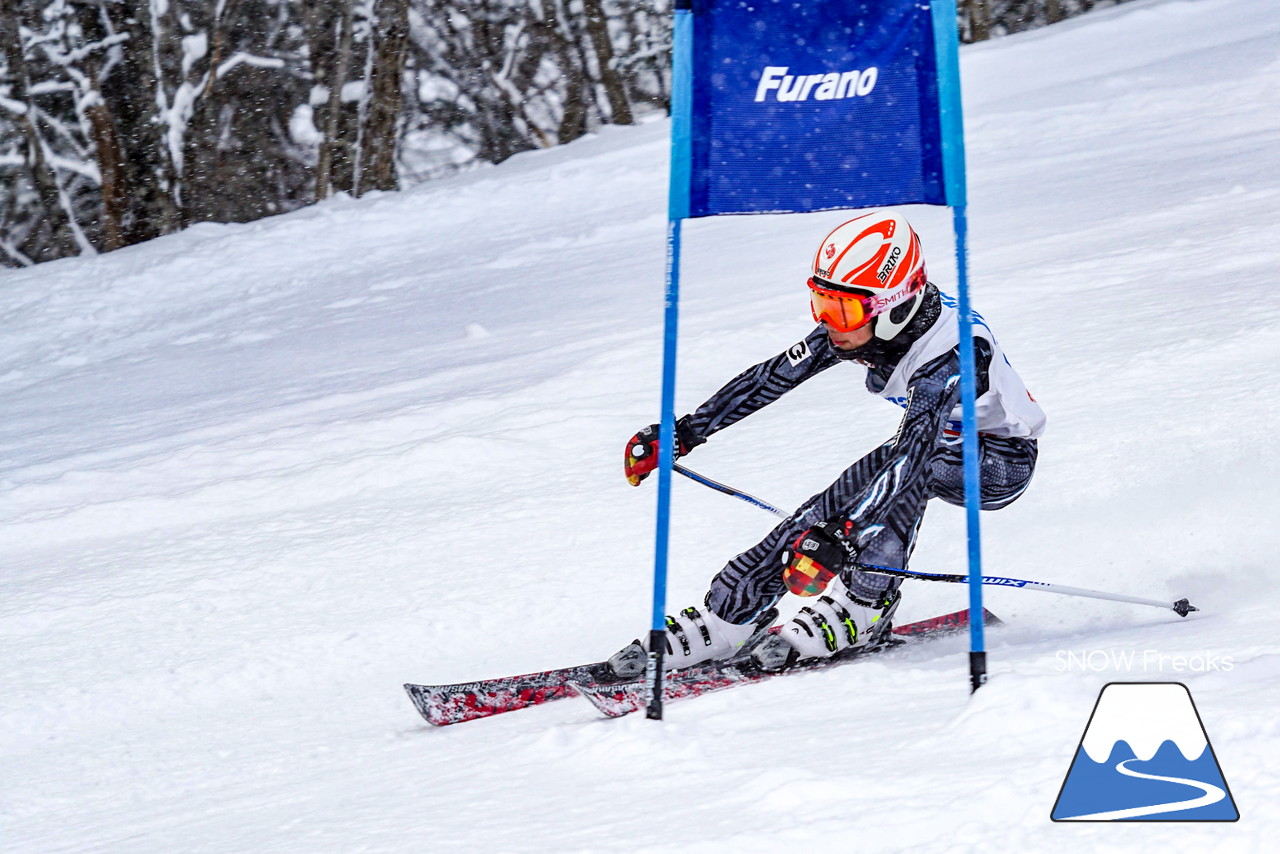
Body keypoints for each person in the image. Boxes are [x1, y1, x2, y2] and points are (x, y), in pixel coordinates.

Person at [612, 210, 1046, 676]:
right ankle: (731, 614)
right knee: (840, 499)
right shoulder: (863, 323)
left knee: (884, 479)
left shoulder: (955, 351)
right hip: (932, 445)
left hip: (1000, 462)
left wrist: (841, 534)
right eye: (821, 303)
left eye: (841, 310)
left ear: (895, 306)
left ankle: (864, 605)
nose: (828, 322)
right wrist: (687, 431)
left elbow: (910, 455)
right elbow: (775, 375)